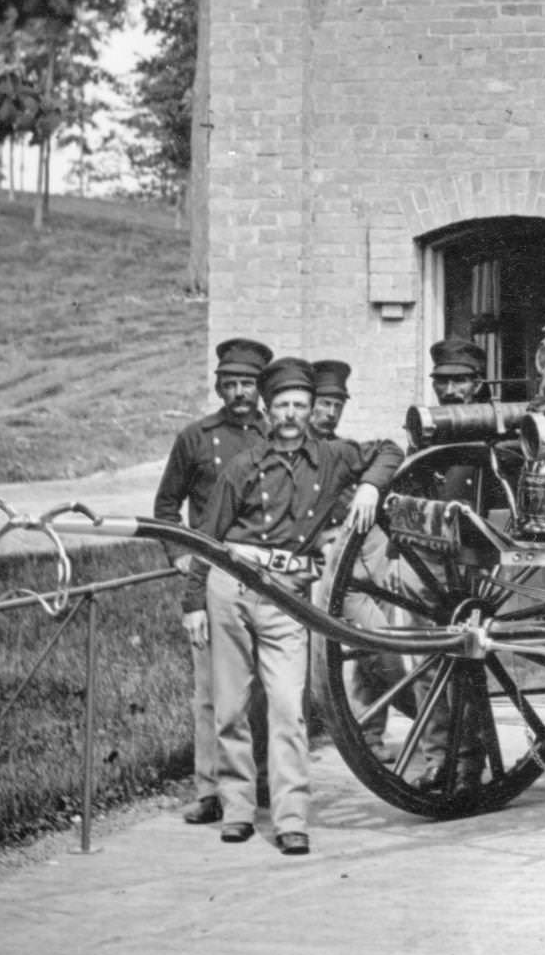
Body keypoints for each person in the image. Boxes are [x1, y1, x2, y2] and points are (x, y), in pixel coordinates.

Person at [184, 356, 403, 855]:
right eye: (281, 405)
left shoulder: (332, 457)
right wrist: (193, 600)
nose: (290, 414)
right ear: (268, 408)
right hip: (231, 587)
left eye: (299, 405)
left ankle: (290, 818)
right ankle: (238, 809)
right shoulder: (242, 466)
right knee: (232, 705)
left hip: (287, 595)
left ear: (310, 409)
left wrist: (369, 484)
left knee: (288, 707)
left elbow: (389, 449)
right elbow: (207, 537)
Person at [341, 337, 488, 793]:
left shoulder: (492, 427)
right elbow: (409, 483)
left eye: (460, 381)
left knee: (466, 662)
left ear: (478, 383)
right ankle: (438, 760)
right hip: (428, 561)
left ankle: (468, 764)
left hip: (476, 565)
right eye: (442, 382)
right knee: (427, 662)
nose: (450, 390)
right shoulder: (426, 429)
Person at [151, 335, 271, 825]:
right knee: (210, 691)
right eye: (232, 383)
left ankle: (259, 779)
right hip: (211, 573)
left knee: (263, 687)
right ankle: (209, 790)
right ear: (219, 386)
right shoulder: (195, 438)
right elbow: (165, 506)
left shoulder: (273, 435)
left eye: (248, 383)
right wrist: (181, 554)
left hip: (264, 574)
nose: (240, 392)